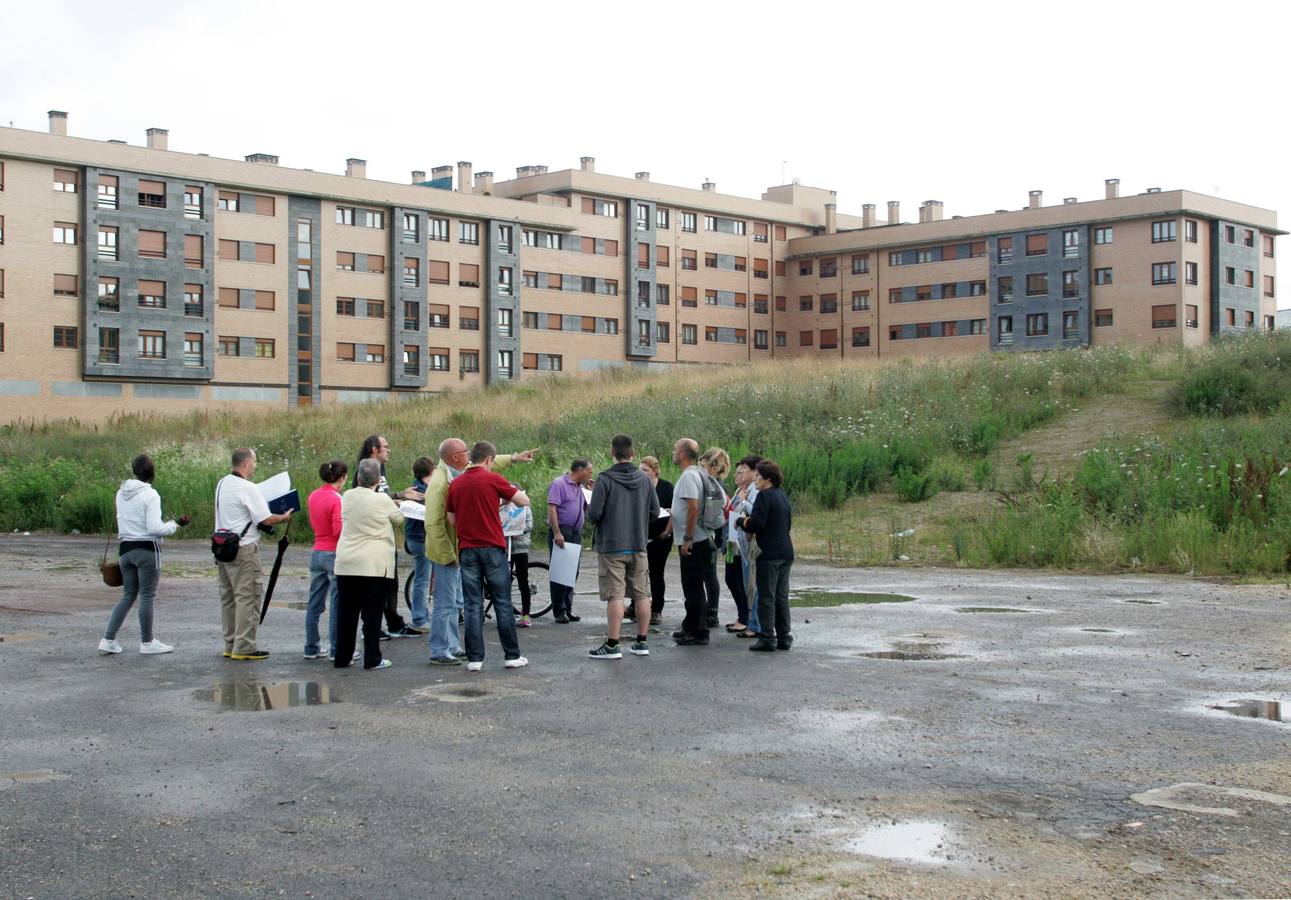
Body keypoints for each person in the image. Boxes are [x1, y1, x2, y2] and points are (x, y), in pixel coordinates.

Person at [425, 438, 535, 666]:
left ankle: (475, 659)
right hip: (492, 547)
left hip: (467, 549)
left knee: (472, 604)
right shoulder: (493, 478)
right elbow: (523, 500)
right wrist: (503, 501)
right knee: (502, 602)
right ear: (488, 460)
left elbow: (451, 520)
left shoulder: (454, 483)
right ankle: (512, 656)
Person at [98, 453, 190, 655]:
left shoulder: (121, 493)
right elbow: (155, 528)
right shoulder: (151, 495)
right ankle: (147, 642)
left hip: (126, 549)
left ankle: (108, 639)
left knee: (128, 595)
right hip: (147, 549)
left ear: (134, 471)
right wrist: (175, 525)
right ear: (152, 473)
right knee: (147, 596)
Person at [214, 448, 293, 661]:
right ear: (246, 463)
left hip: (223, 547)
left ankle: (230, 643)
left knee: (228, 598)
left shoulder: (222, 483)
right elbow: (266, 519)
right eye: (255, 462)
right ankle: (245, 646)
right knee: (247, 597)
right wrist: (284, 517)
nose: (255, 466)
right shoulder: (248, 488)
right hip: (243, 549)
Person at [586, 434, 659, 659]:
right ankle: (642, 641)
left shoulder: (605, 479)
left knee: (615, 595)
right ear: (633, 454)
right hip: (638, 544)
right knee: (641, 594)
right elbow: (655, 512)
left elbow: (594, 514)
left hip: (611, 546)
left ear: (612, 453)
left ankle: (612, 644)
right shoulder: (645, 479)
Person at [333, 459, 404, 669]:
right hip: (373, 563)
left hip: (347, 561)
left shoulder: (347, 496)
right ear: (377, 480)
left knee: (346, 612)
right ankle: (372, 657)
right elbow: (399, 519)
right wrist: (395, 504)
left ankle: (342, 656)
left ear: (357, 477)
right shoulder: (382, 499)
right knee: (372, 613)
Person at [353, 435, 423, 639]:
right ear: (374, 449)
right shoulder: (364, 469)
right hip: (372, 537)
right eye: (385, 447)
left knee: (390, 582)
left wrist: (400, 495)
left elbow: (381, 495)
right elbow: (367, 498)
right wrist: (398, 500)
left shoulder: (380, 470)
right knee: (376, 583)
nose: (389, 450)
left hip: (385, 534)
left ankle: (393, 622)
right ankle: (373, 627)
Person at [737, 459, 794, 652]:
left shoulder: (764, 496)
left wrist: (741, 521)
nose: (755, 481)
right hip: (785, 551)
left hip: (769, 553)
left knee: (766, 597)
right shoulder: (782, 497)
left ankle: (768, 636)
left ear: (768, 479)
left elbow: (757, 524)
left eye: (758, 477)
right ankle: (784, 637)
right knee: (781, 597)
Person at [670, 438, 713, 646]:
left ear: (682, 454)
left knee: (693, 587)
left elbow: (693, 508)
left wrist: (687, 539)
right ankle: (690, 625)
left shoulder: (689, 477)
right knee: (692, 586)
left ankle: (698, 632)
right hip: (698, 538)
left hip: (694, 541)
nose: (673, 452)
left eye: (675, 449)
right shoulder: (697, 473)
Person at [305, 460, 348, 660]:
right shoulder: (336, 498)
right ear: (342, 478)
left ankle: (311, 646)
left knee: (315, 601)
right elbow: (338, 529)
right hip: (333, 551)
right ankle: (336, 647)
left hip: (317, 550)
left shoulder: (313, 496)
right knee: (337, 601)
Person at [547, 459, 593, 623]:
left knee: (573, 571)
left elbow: (586, 509)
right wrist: (557, 532)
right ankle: (559, 610)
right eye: (588, 471)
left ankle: (568, 607)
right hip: (562, 530)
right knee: (561, 572)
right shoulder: (559, 483)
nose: (590, 474)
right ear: (579, 470)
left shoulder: (580, 487)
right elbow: (552, 508)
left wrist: (589, 491)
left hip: (575, 532)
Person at [726, 454, 763, 638]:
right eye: (738, 471)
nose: (739, 475)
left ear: (755, 471)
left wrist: (743, 500)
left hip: (747, 544)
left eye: (744, 470)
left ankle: (752, 622)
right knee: (735, 579)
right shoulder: (741, 489)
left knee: (750, 584)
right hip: (734, 541)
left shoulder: (754, 490)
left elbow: (755, 514)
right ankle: (745, 618)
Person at [634, 456, 673, 626]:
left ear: (655, 470)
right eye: (640, 470)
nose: (641, 473)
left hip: (661, 537)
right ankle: (635, 605)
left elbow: (674, 511)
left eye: (645, 470)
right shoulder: (638, 487)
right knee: (637, 573)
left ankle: (657, 609)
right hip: (641, 537)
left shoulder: (666, 487)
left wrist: (667, 531)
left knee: (656, 573)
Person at [698, 447, 730, 629]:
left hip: (710, 534)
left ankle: (712, 612)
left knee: (709, 573)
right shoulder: (716, 483)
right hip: (713, 534)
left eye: (702, 463)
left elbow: (711, 516)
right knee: (709, 573)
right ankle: (710, 611)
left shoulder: (714, 485)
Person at [402, 456, 434, 634]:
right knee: (422, 579)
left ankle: (422, 614)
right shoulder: (422, 492)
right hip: (421, 539)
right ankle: (419, 618)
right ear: (429, 472)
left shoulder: (414, 488)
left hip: (413, 538)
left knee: (422, 577)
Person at [505, 498, 536, 627]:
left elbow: (529, 525)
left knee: (523, 582)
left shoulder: (525, 508)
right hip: (506, 549)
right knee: (504, 583)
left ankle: (526, 615)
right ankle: (506, 615)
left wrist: (516, 529)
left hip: (521, 549)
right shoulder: (504, 508)